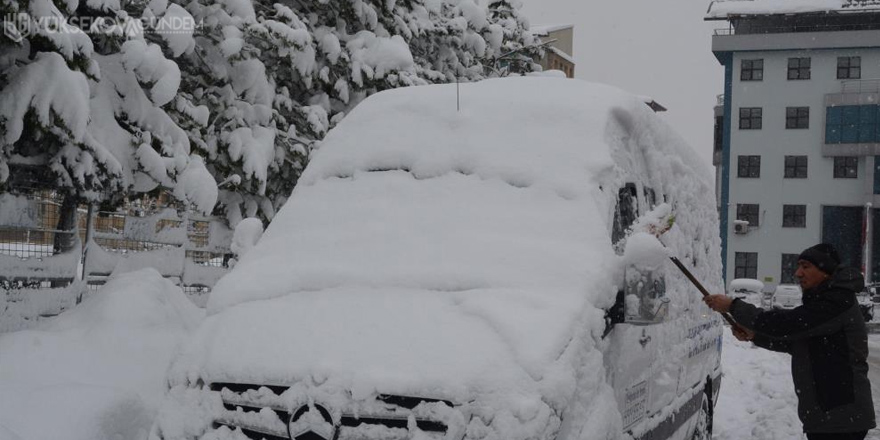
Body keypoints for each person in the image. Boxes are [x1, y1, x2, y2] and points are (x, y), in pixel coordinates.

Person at [704, 243, 875, 440]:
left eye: (805, 266)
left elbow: (787, 324)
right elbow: (800, 343)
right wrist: (755, 336)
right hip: (829, 415)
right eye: (798, 266)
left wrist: (733, 306)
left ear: (826, 271)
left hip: (840, 415)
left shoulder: (837, 301)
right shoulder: (826, 299)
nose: (798, 273)